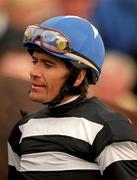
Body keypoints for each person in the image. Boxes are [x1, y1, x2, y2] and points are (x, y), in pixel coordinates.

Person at [8, 16, 137, 180]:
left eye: (48, 65)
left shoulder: (110, 128)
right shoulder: (22, 128)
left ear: (78, 77)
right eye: (35, 61)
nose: (34, 72)